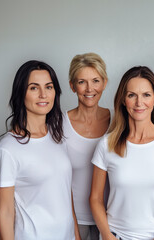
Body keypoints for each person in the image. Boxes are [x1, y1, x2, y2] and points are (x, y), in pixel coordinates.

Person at [90, 66, 154, 240]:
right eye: (131, 95)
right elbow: (96, 198)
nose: (138, 103)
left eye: (146, 95)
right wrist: (106, 235)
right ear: (123, 100)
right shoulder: (107, 145)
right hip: (116, 236)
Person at [0, 60, 80, 240]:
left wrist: (76, 235)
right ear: (21, 93)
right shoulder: (8, 148)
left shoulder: (58, 137)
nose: (43, 95)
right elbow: (6, 212)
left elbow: (65, 193)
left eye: (48, 87)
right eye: (34, 88)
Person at [64, 53, 111, 240]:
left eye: (96, 81)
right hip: (73, 219)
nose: (89, 88)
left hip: (111, 220)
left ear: (105, 83)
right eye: (82, 82)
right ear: (72, 86)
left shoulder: (119, 120)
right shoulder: (58, 124)